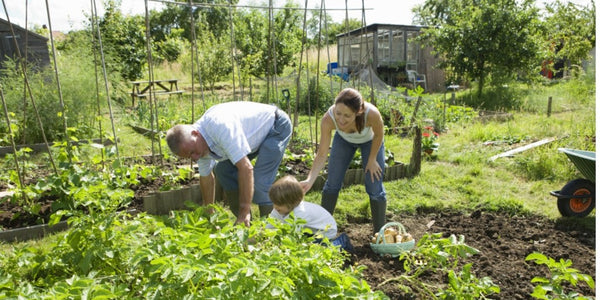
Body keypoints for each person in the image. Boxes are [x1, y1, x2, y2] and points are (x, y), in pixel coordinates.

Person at [165, 101, 292, 226]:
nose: (196, 157)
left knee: (260, 182)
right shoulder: (198, 145)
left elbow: (246, 168)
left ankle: (271, 227)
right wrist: (210, 214)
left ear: (195, 133)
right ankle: (245, 225)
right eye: (189, 156)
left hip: (275, 127)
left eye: (193, 152)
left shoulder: (220, 127)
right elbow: (206, 177)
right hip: (252, 137)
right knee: (223, 171)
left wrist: (245, 209)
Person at [299, 88, 387, 234]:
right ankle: (323, 228)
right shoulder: (328, 119)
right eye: (338, 113)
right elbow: (322, 154)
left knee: (374, 185)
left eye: (347, 115)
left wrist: (372, 160)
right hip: (344, 141)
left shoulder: (371, 114)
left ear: (358, 111)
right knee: (332, 183)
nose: (340, 119)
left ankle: (380, 233)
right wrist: (310, 179)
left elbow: (379, 134)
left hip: (370, 141)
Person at [267, 175, 353, 251]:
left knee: (318, 251)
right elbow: (270, 224)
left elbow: (291, 236)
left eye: (279, 204)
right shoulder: (279, 209)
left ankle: (341, 242)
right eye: (274, 202)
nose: (275, 207)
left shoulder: (300, 213)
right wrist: (264, 234)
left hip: (325, 231)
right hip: (309, 229)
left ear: (293, 203)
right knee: (304, 244)